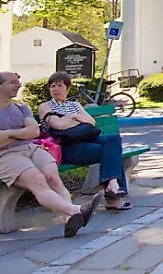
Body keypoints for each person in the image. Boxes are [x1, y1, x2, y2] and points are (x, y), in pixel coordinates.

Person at [0, 72, 99, 237]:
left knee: (53, 177)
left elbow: (34, 131)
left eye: (18, 82)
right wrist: (22, 133)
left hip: (29, 149)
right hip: (1, 158)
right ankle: (77, 210)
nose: (19, 86)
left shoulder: (22, 108)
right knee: (38, 181)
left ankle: (69, 219)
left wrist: (7, 133)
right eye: (13, 83)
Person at [38, 72, 132, 210]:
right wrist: (78, 120)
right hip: (64, 147)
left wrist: (71, 118)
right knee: (109, 152)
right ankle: (113, 195)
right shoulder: (45, 106)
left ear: (67, 88)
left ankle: (112, 184)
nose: (55, 89)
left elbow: (91, 122)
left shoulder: (75, 105)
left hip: (85, 139)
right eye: (52, 86)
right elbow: (57, 125)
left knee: (113, 139)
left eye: (59, 85)